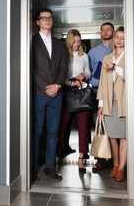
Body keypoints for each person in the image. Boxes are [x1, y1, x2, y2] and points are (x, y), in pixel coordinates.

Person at [32, 8, 68, 181]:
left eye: (50, 18)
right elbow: (30, 69)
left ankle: (50, 166)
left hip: (57, 95)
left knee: (54, 132)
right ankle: (31, 167)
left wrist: (58, 85)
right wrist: (46, 87)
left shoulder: (60, 44)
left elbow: (63, 68)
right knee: (36, 131)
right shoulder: (31, 42)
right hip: (38, 94)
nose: (47, 20)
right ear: (37, 22)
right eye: (43, 18)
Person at [56, 29, 91, 173]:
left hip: (82, 92)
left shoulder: (85, 56)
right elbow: (59, 75)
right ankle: (57, 154)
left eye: (79, 40)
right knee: (62, 125)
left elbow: (89, 71)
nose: (78, 44)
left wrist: (85, 75)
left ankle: (81, 158)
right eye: (75, 41)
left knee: (83, 126)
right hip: (67, 91)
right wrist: (71, 83)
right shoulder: (63, 55)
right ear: (69, 40)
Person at [97, 26, 126, 182]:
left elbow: (131, 76)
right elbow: (102, 83)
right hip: (109, 102)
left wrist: (116, 67)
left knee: (123, 137)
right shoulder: (107, 57)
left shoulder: (131, 56)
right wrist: (101, 104)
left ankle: (121, 168)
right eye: (117, 37)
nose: (119, 40)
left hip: (124, 102)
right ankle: (115, 164)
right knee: (112, 137)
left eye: (123, 38)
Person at [88, 22, 114, 173]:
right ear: (100, 33)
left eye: (108, 29)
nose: (105, 32)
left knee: (113, 126)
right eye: (103, 30)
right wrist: (97, 80)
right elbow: (89, 73)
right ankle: (100, 159)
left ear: (113, 31)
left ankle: (113, 159)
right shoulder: (93, 52)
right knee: (98, 125)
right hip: (98, 92)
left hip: (116, 92)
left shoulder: (118, 49)